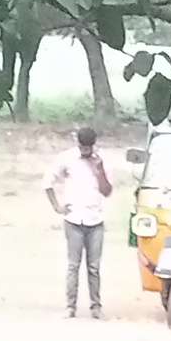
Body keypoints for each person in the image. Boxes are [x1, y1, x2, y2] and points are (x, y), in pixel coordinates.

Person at [45, 124, 115, 318]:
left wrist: (99, 171)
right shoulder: (67, 158)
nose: (85, 151)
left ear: (93, 145)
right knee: (73, 266)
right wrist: (57, 206)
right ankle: (70, 307)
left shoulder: (102, 161)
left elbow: (107, 191)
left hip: (95, 220)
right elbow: (47, 181)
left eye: (88, 148)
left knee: (94, 267)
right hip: (74, 219)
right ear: (78, 144)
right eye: (82, 147)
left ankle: (96, 307)